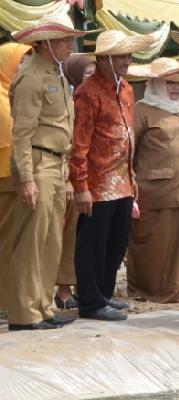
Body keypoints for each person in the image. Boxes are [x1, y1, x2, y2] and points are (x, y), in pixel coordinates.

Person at [7, 12, 93, 331]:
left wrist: (68, 175)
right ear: (45, 43)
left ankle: (42, 306)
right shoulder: (31, 76)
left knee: (51, 240)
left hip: (56, 164)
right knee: (32, 240)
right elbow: (22, 134)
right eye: (64, 39)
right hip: (39, 163)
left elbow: (63, 129)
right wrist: (26, 178)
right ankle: (24, 313)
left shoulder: (54, 73)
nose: (71, 44)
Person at [69, 30, 155, 322]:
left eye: (129, 55)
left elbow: (128, 138)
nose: (127, 60)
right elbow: (79, 143)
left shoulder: (127, 89)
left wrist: (132, 177)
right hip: (97, 180)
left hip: (122, 179)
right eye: (121, 55)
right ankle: (90, 301)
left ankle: (103, 294)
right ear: (105, 58)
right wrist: (80, 186)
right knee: (92, 241)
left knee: (116, 240)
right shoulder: (87, 92)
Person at [126, 57, 179, 303]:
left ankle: (173, 292)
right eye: (170, 82)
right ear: (156, 83)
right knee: (151, 245)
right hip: (152, 191)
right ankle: (144, 292)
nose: (176, 88)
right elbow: (128, 151)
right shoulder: (142, 109)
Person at [53, 53, 96, 310]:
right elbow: (67, 144)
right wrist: (70, 180)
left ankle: (86, 287)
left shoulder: (93, 99)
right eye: (87, 74)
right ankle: (64, 289)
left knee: (88, 235)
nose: (91, 79)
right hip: (70, 177)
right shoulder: (68, 101)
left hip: (94, 177)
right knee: (69, 235)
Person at [0, 42, 32, 319]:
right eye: (21, 62)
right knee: (6, 242)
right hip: (4, 179)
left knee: (13, 242)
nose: (26, 68)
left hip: (15, 177)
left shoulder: (14, 95)